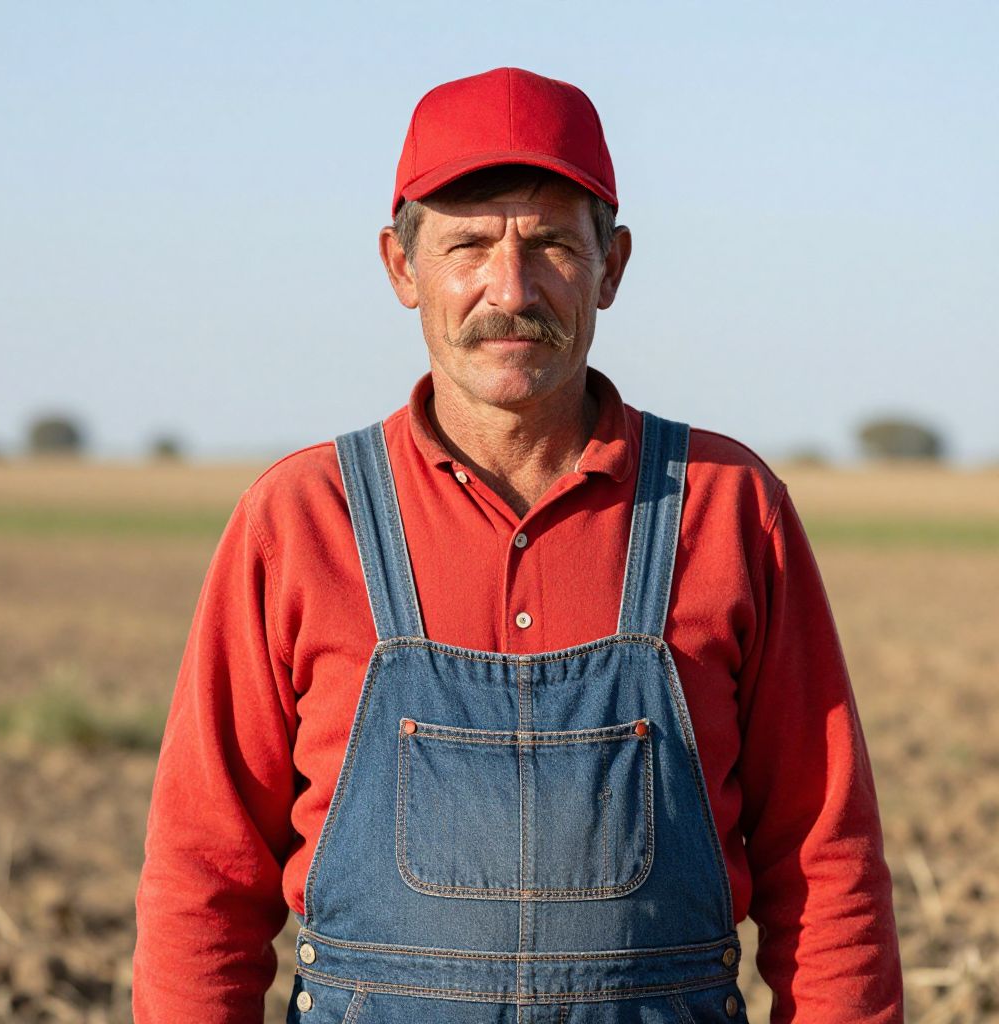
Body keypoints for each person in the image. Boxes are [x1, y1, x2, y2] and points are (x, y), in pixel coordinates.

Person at [134, 67, 903, 1023]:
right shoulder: (299, 520)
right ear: (401, 266)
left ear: (612, 266)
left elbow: (827, 873)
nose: (512, 288)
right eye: (468, 245)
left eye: (549, 244)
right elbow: (200, 883)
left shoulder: (730, 510)